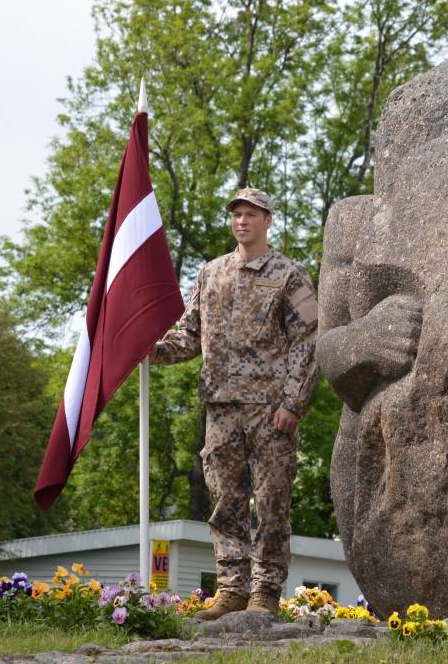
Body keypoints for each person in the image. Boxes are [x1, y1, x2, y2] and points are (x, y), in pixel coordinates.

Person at [148, 187, 318, 619]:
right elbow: (190, 335)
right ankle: (231, 590)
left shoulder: (290, 275)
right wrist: (152, 351)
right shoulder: (211, 274)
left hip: (270, 411)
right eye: (237, 214)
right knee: (226, 502)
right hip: (221, 408)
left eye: (251, 214)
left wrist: (293, 402)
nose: (242, 221)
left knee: (272, 501)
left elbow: (308, 342)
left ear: (268, 220)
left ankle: (265, 591)